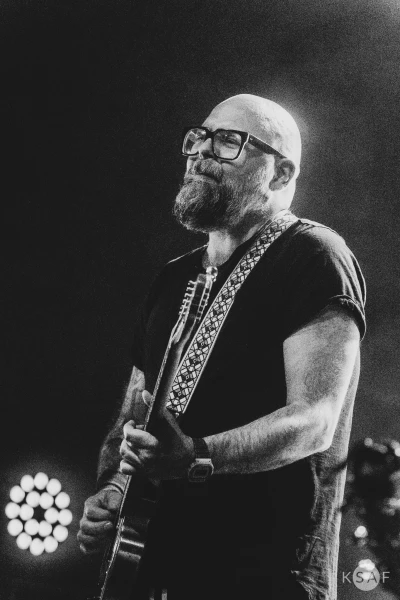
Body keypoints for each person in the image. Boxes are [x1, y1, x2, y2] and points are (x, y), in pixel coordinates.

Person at [77, 94, 366, 600]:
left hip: (266, 575)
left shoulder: (316, 256)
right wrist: (113, 489)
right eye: (199, 137)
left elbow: (314, 420)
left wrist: (196, 456)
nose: (202, 151)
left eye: (229, 141)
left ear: (280, 173)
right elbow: (134, 413)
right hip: (157, 568)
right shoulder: (172, 279)